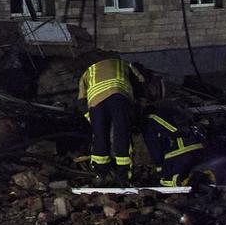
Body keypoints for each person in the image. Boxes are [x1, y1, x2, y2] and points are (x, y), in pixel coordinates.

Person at [78, 51, 144, 183]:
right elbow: (140, 82)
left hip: (96, 103)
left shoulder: (88, 72)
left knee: (100, 137)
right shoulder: (125, 65)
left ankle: (101, 175)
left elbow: (81, 100)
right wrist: (138, 108)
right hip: (119, 97)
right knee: (122, 135)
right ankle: (123, 177)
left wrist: (91, 118)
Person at [140, 103, 206, 188]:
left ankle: (183, 180)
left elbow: (155, 147)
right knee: (197, 172)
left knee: (167, 181)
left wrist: (160, 169)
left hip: (180, 153)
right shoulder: (171, 110)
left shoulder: (150, 121)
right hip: (199, 150)